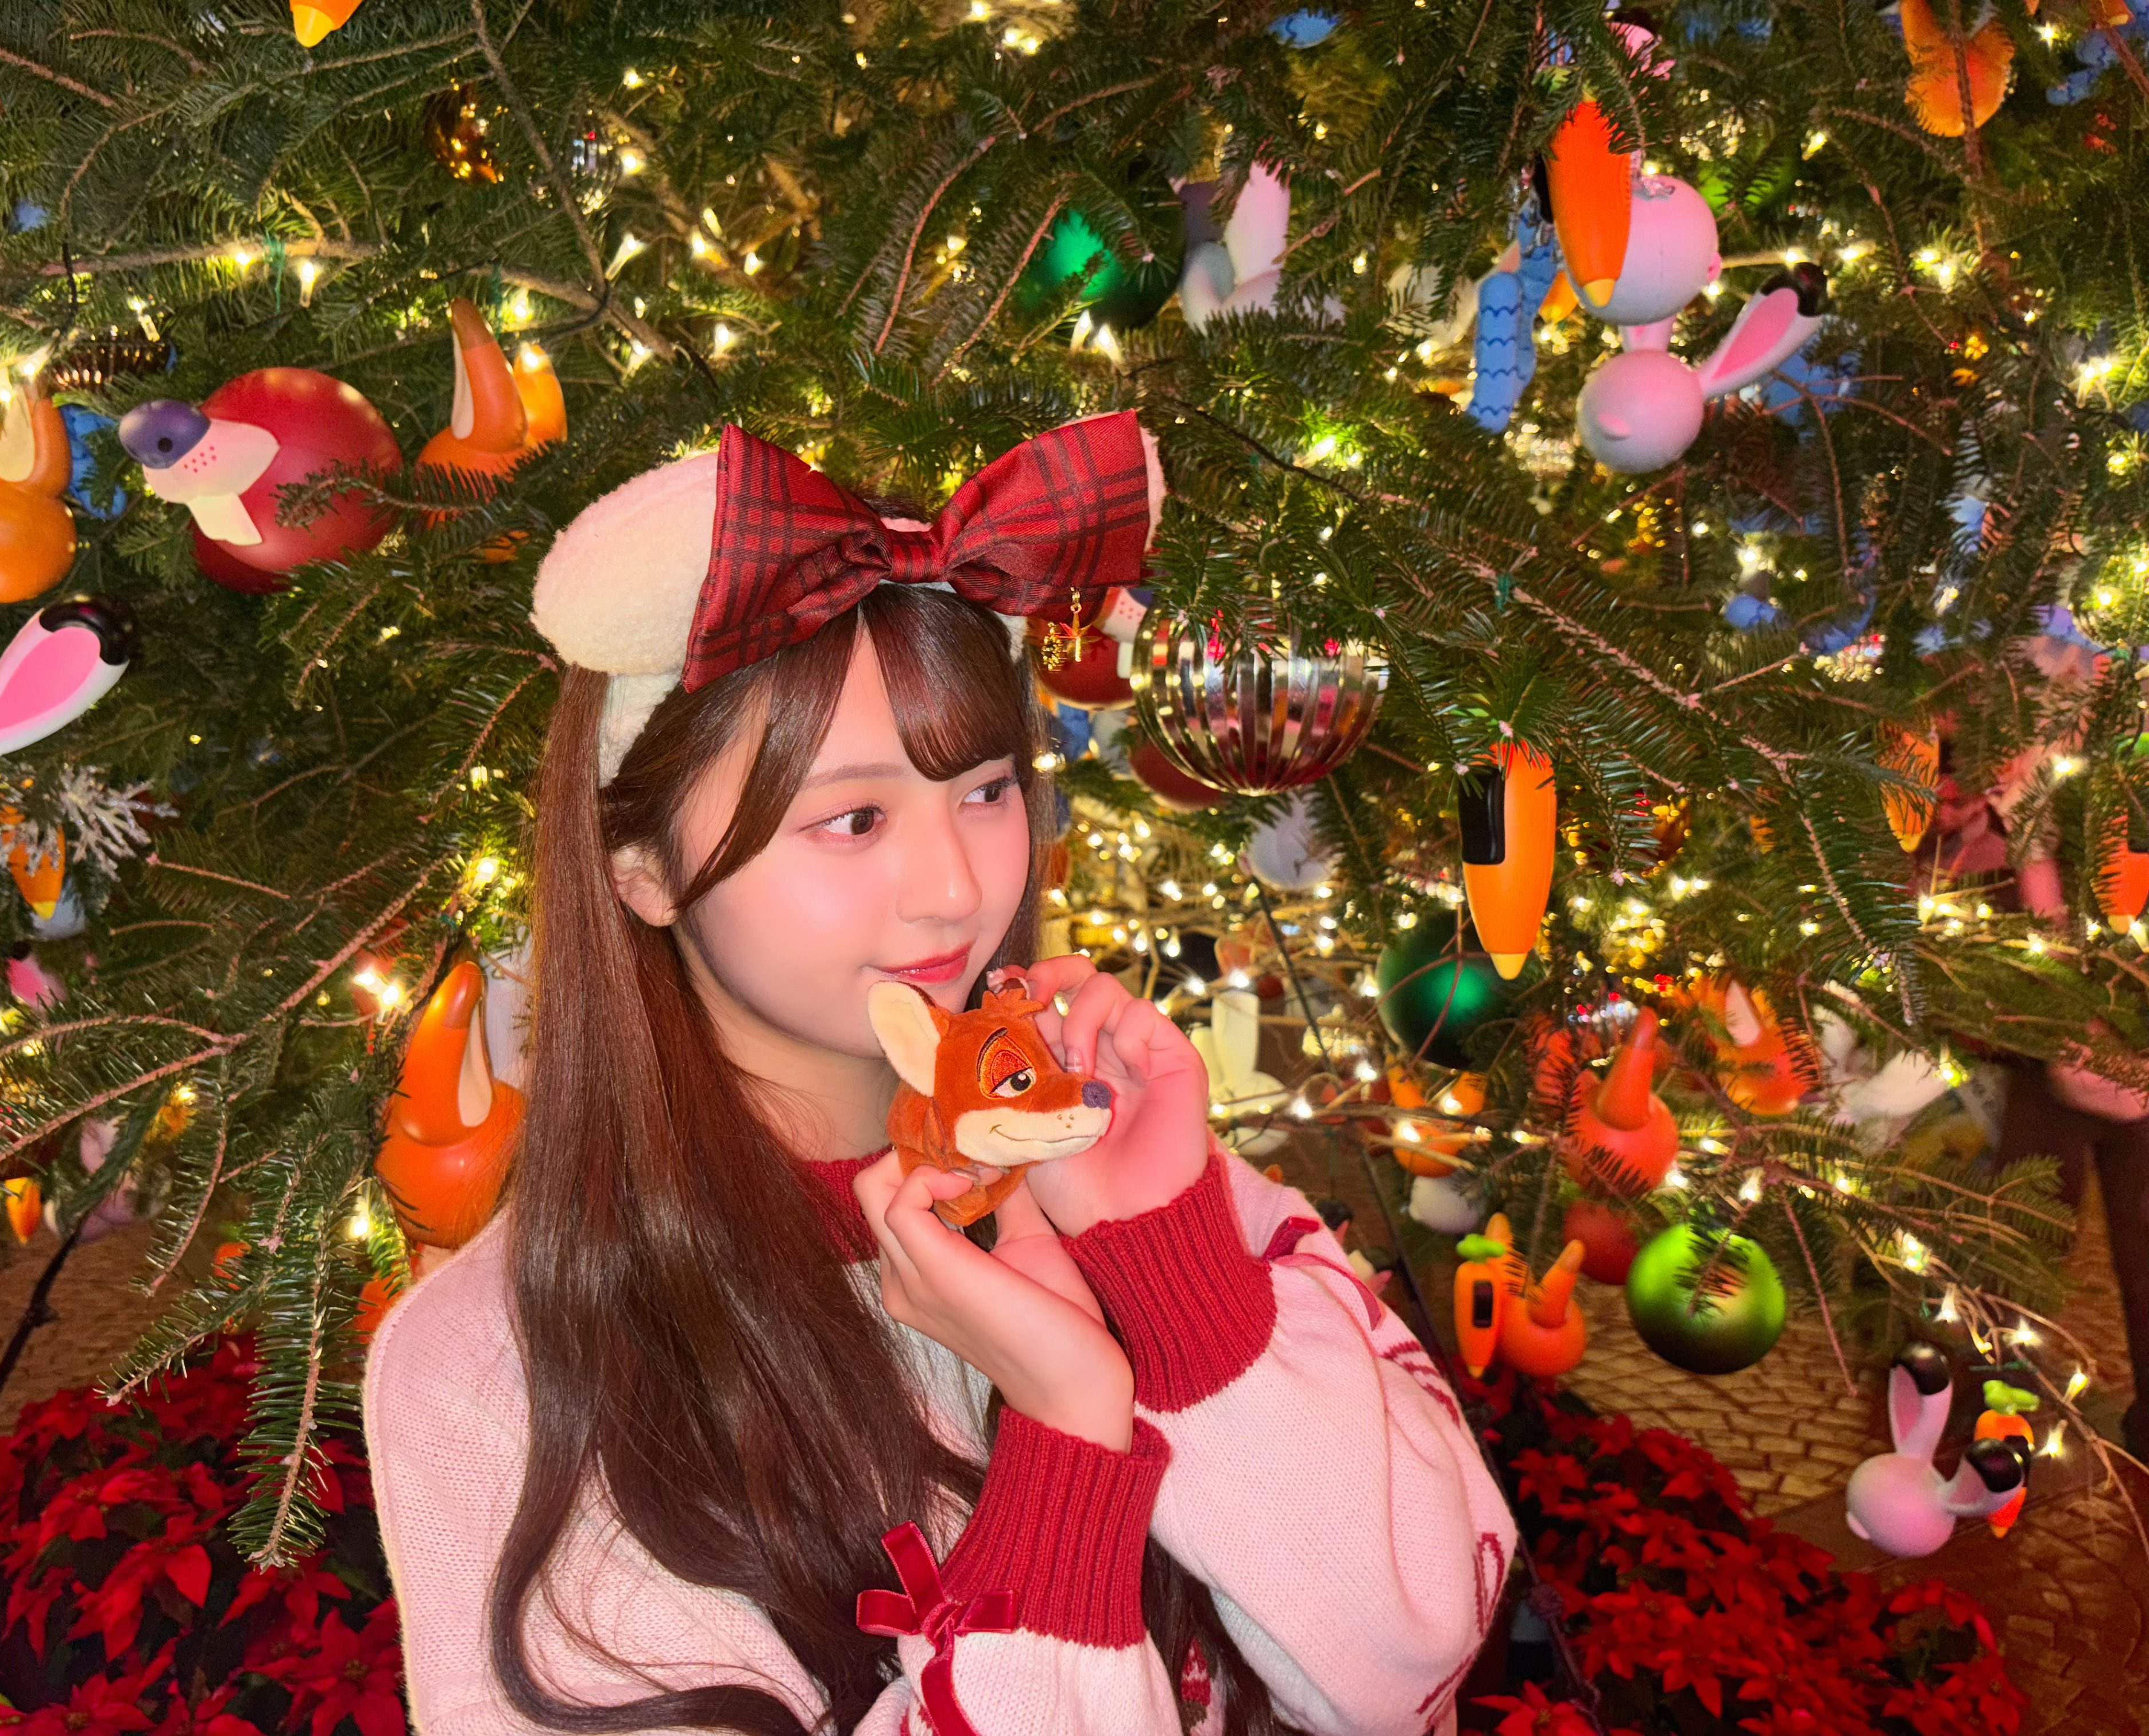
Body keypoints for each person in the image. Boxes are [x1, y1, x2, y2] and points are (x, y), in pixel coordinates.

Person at [361, 413, 1515, 1735]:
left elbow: (1408, 1672)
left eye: (983, 789)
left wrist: (1172, 1272)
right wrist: (1065, 1451)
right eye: (854, 818)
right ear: (646, 872)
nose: (959, 890)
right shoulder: (497, 1368)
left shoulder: (1138, 1182)